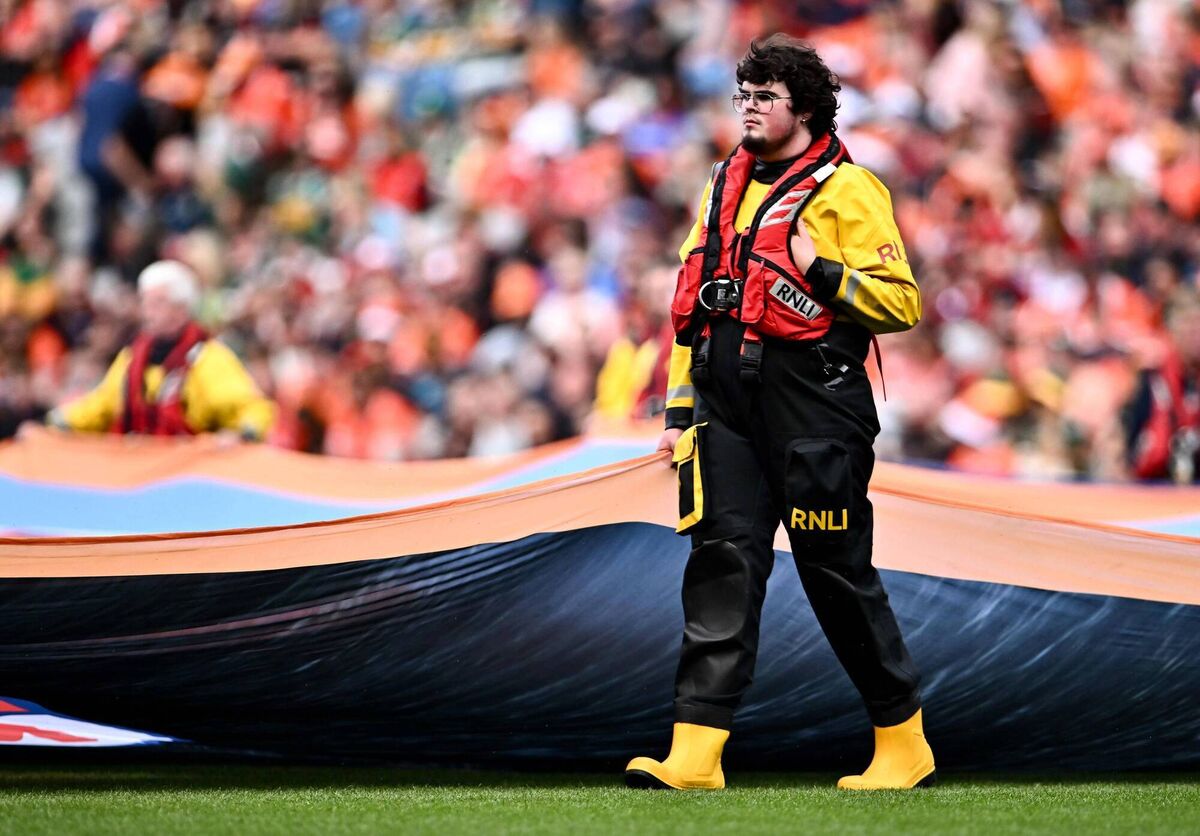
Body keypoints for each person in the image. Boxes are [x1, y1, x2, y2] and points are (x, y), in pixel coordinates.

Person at [625, 35, 935, 791]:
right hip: (723, 408)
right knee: (720, 567)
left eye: (765, 95)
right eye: (744, 95)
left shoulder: (849, 190)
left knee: (836, 574)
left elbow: (903, 304)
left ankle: (903, 742)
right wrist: (677, 407)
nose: (749, 108)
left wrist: (822, 269)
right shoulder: (722, 184)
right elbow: (693, 300)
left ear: (804, 105)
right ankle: (696, 753)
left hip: (815, 409)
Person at [46, 260, 275, 439]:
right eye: (145, 302)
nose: (147, 312)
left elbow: (251, 408)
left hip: (187, 475)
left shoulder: (208, 358)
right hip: (142, 471)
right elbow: (102, 404)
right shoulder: (133, 357)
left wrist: (243, 434)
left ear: (181, 308)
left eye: (158, 303)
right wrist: (57, 421)